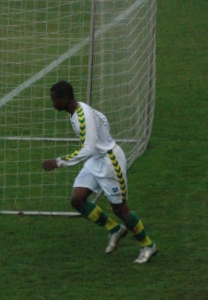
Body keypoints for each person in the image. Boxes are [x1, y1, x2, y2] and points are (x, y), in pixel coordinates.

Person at [41, 81, 158, 264]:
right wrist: (102, 136)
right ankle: (114, 229)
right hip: (95, 160)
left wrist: (59, 162)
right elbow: (102, 119)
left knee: (120, 209)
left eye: (54, 100)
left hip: (110, 162)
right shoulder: (79, 109)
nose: (53, 104)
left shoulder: (82, 116)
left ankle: (148, 245)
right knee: (77, 200)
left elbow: (87, 149)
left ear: (64, 98)